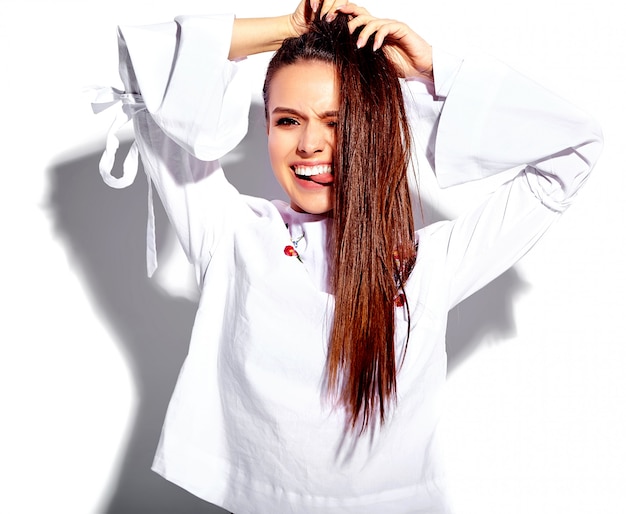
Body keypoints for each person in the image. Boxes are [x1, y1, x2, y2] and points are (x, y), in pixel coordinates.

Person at [91, 1, 603, 512]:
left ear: (375, 129)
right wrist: (288, 31)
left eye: (338, 122)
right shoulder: (230, 231)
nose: (311, 144)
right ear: (266, 130)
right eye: (288, 119)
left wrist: (433, 72)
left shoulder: (430, 258)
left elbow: (575, 151)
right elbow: (144, 68)